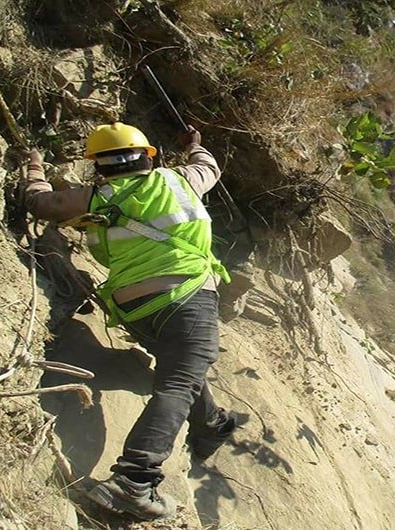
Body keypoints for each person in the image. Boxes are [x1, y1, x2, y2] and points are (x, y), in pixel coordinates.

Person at [24, 122, 240, 520]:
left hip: (135, 309)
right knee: (179, 378)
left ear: (98, 166)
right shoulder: (180, 180)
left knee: (182, 368)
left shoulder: (93, 197)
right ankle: (134, 481)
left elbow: (40, 204)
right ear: (148, 154)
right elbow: (209, 167)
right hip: (188, 293)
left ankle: (212, 423)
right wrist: (194, 145)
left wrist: (35, 167)